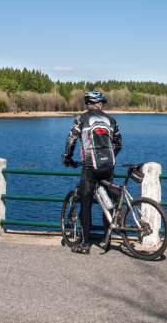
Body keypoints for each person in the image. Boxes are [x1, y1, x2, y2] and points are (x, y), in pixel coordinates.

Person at [63, 91, 122, 254]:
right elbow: (118, 143)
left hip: (90, 167)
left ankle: (85, 244)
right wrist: (109, 156)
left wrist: (67, 158)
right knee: (107, 204)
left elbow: (71, 140)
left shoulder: (81, 119)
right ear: (99, 105)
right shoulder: (111, 120)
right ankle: (107, 241)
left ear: (88, 104)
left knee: (86, 204)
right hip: (108, 167)